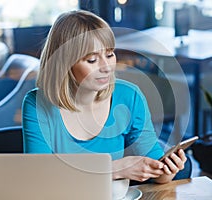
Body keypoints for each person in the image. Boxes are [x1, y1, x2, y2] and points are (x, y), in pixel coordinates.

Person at [22, 10, 187, 184]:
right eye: (92, 60)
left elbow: (155, 171)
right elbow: (39, 176)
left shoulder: (129, 96)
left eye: (109, 55)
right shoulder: (36, 104)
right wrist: (115, 168)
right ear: (65, 64)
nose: (107, 67)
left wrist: (167, 170)